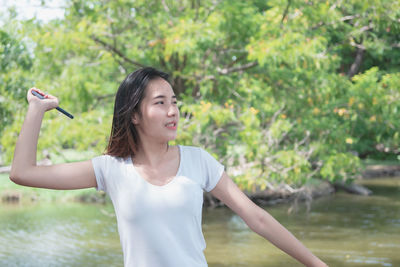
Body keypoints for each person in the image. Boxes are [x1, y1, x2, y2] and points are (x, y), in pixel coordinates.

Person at [10, 67, 328, 267]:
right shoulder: (111, 169)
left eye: (174, 101)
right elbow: (23, 173)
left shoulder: (198, 160)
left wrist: (315, 263)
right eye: (160, 103)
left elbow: (256, 218)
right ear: (134, 114)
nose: (172, 111)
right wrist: (37, 109)